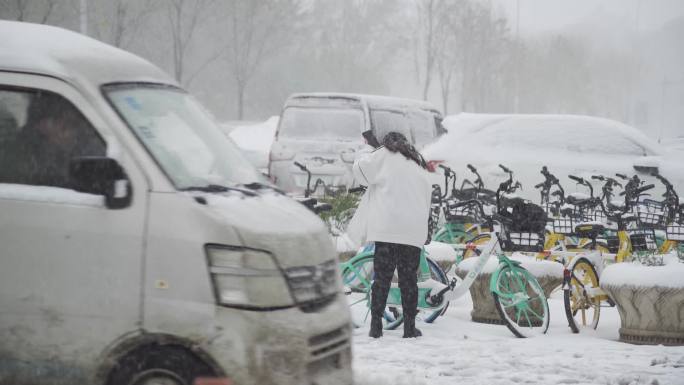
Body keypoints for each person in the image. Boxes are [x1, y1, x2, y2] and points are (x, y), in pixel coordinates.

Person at [349, 130, 432, 338]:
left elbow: (359, 171)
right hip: (412, 231)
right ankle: (409, 327)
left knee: (382, 280)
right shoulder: (416, 161)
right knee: (408, 280)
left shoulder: (383, 154)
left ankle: (376, 325)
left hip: (388, 230)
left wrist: (365, 151)